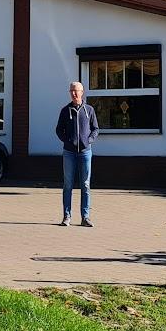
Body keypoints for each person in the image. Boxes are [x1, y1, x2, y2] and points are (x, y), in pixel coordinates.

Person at [54, 81, 99, 227]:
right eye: (71, 91)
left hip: (85, 153)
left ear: (82, 92)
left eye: (76, 91)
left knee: (85, 185)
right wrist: (67, 140)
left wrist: (89, 140)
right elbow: (59, 130)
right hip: (69, 153)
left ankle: (85, 217)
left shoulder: (89, 110)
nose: (74, 93)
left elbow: (95, 129)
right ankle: (66, 216)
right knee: (68, 185)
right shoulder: (65, 111)